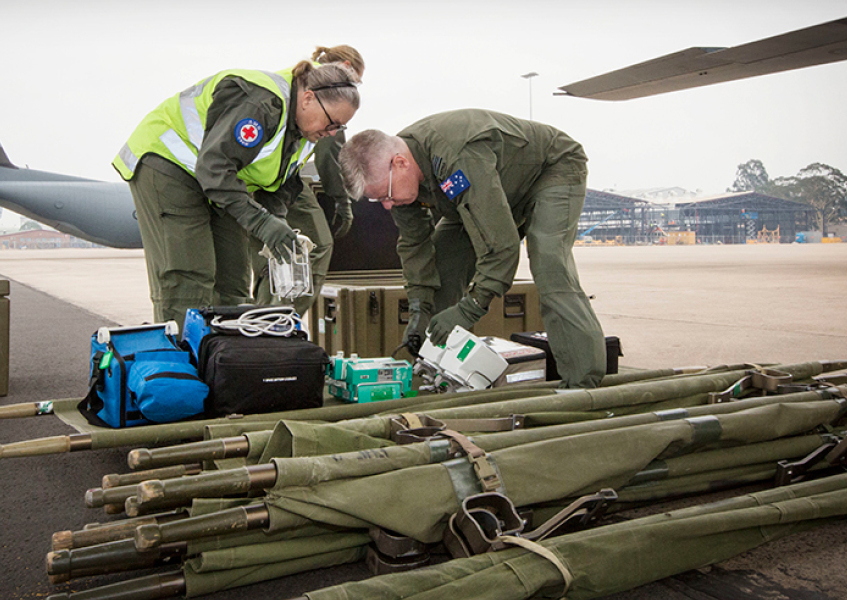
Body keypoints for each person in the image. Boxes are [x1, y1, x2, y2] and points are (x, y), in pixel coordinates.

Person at [339, 109, 605, 388]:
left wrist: (470, 308)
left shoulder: (456, 156)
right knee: (442, 267)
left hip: (550, 171)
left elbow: (500, 246)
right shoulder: (401, 184)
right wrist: (420, 308)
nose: (387, 205)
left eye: (386, 195)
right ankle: (437, 370)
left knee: (550, 264)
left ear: (401, 163)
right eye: (379, 200)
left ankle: (583, 382)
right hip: (491, 193)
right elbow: (415, 245)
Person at [112, 58, 360, 325]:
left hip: (219, 182)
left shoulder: (306, 131)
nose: (333, 132)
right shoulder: (260, 104)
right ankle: (185, 362)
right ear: (308, 98)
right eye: (332, 122)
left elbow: (278, 183)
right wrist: (263, 224)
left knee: (233, 282)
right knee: (189, 276)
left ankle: (226, 358)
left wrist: (275, 220)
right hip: (170, 164)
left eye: (340, 127)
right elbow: (214, 168)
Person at [251, 46, 364, 317]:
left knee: (269, 254)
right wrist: (342, 201)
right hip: (274, 179)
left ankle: (257, 321)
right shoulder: (327, 95)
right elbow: (328, 156)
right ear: (346, 66)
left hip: (259, 178)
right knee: (317, 245)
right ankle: (278, 321)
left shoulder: (296, 82)